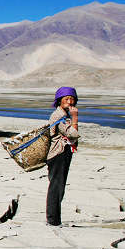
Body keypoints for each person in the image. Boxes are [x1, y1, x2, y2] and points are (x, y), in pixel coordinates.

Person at [46, 86, 80, 226]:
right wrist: (75, 117)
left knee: (59, 186)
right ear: (59, 101)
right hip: (58, 154)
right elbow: (72, 134)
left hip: (63, 153)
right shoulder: (58, 116)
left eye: (72, 99)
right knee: (56, 187)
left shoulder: (63, 115)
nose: (70, 102)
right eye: (66, 99)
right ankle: (53, 220)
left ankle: (54, 219)